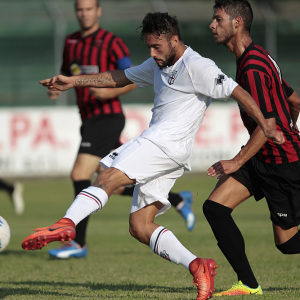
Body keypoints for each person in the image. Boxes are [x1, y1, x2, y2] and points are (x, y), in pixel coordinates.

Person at [22, 12, 283, 300]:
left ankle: (67, 224)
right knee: (140, 226)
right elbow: (119, 77)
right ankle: (198, 266)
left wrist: (265, 123)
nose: (152, 53)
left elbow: (237, 90)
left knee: (106, 175)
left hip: (162, 144)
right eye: (148, 47)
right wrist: (74, 81)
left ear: (174, 40)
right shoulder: (158, 62)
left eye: (156, 47)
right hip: (171, 152)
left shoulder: (198, 66)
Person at [48, 0, 196, 260]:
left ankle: (76, 241)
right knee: (108, 180)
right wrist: (59, 86)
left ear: (98, 11)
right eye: (79, 9)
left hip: (107, 118)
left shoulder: (110, 41)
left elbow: (130, 77)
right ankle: (178, 199)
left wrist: (107, 93)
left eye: (88, 9)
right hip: (88, 120)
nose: (83, 14)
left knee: (79, 173)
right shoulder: (70, 41)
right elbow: (66, 73)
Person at [202, 0, 300, 296]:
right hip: (263, 156)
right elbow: (294, 101)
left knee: (288, 245)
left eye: (218, 19)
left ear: (237, 23)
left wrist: (236, 161)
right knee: (215, 208)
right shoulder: (258, 57)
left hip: (282, 163)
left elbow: (266, 124)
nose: (212, 25)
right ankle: (248, 283)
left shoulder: (253, 67)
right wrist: (289, 128)